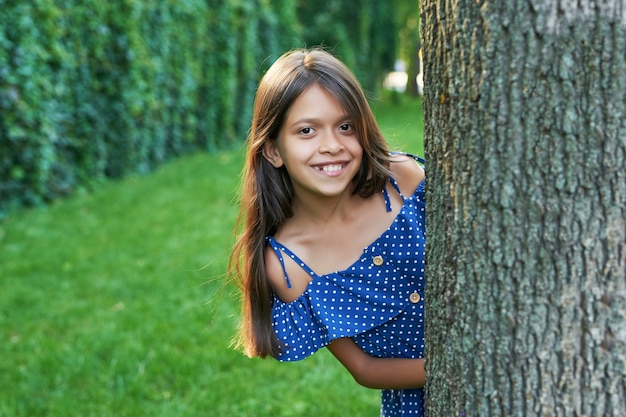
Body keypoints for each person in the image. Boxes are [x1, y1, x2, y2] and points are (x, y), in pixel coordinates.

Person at [228, 47, 426, 416]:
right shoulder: (288, 263)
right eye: (307, 131)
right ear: (273, 150)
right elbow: (365, 368)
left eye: (345, 126)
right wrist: (459, 368)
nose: (332, 146)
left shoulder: (403, 180)